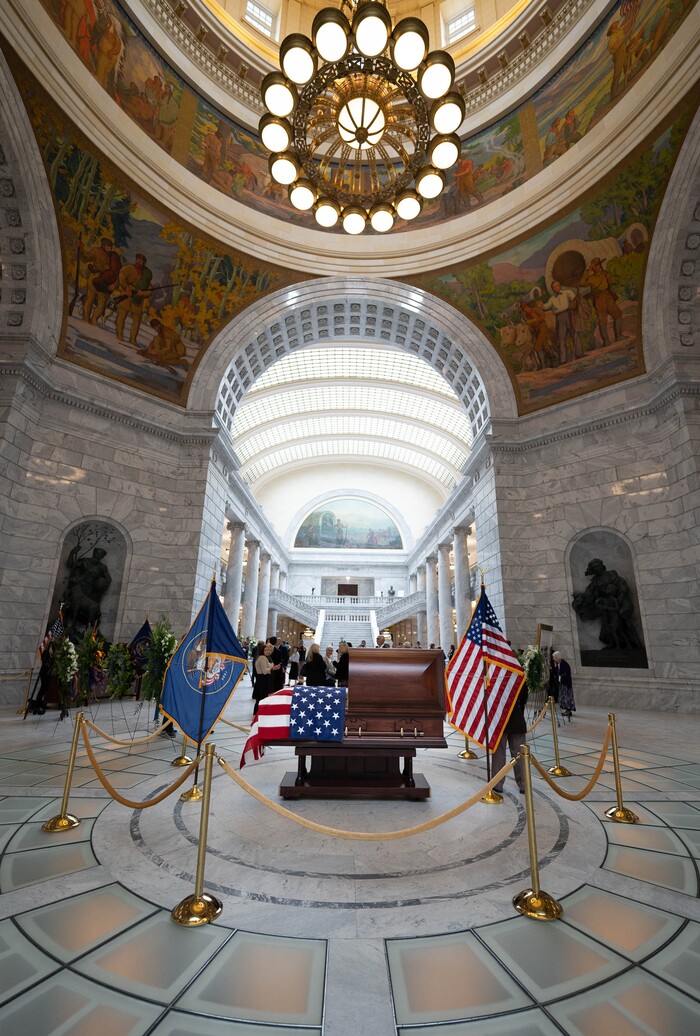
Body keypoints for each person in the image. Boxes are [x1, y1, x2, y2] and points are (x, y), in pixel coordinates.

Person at [571, 558, 642, 650]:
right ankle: (613, 643)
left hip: (618, 602)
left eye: (598, 566)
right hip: (606, 606)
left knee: (625, 622)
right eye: (595, 567)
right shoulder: (595, 582)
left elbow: (622, 585)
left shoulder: (611, 575)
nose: (598, 568)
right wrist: (580, 597)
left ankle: (635, 643)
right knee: (607, 624)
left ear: (602, 566)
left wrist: (619, 597)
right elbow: (590, 595)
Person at [492, 684, 528, 795]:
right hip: (516, 718)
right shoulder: (519, 674)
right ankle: (524, 784)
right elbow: (524, 697)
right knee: (520, 754)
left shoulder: (497, 675)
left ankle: (497, 784)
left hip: (500, 719)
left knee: (499, 753)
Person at [579, 257, 623, 347]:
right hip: (599, 298)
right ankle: (606, 341)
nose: (597, 267)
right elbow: (581, 283)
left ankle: (618, 336)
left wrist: (609, 278)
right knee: (602, 319)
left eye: (598, 265)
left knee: (618, 314)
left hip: (608, 296)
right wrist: (589, 271)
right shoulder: (591, 278)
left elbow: (612, 279)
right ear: (593, 268)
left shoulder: (604, 274)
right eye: (595, 266)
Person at [115, 252, 152, 345]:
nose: (140, 263)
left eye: (143, 262)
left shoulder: (146, 274)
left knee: (137, 320)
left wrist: (143, 293)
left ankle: (133, 339)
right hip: (127, 294)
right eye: (139, 261)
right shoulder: (128, 268)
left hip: (138, 298)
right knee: (122, 315)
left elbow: (150, 288)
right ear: (136, 260)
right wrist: (126, 287)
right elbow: (121, 276)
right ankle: (119, 334)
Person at [543, 280, 582, 363]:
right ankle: (563, 359)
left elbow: (574, 298)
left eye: (557, 285)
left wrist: (575, 305)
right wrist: (541, 305)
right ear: (552, 289)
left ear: (560, 286)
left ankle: (579, 353)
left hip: (569, 314)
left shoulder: (567, 292)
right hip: (559, 317)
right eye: (554, 287)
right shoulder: (552, 299)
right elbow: (546, 306)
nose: (556, 288)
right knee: (561, 338)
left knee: (574, 333)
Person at [253, 642, 279, 714]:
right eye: (265, 650)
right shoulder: (262, 658)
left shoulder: (260, 657)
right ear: (262, 651)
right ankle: (259, 715)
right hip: (263, 680)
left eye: (268, 650)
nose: (267, 652)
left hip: (261, 680)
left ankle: (256, 715)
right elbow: (265, 671)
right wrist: (271, 666)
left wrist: (272, 667)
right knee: (262, 699)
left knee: (260, 699)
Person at [552, 651, 576, 719]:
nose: (553, 659)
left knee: (567, 697)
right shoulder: (559, 663)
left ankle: (568, 711)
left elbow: (566, 674)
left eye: (554, 657)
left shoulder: (564, 664)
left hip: (566, 684)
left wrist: (560, 676)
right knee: (564, 697)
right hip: (563, 684)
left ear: (557, 657)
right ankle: (567, 710)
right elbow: (557, 671)